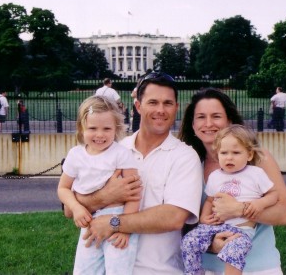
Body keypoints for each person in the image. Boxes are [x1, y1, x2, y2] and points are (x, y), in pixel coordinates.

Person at [70, 72, 203, 274]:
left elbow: (174, 217)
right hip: (105, 266)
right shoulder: (112, 148)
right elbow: (69, 208)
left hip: (158, 270)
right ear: (138, 106)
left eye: (168, 103)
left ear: (176, 108)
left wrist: (115, 223)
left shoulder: (184, 156)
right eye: (153, 102)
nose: (160, 110)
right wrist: (106, 196)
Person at [178, 88, 286, 274]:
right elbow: (185, 225)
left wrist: (239, 210)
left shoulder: (258, 158)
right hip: (208, 268)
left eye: (216, 116)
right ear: (192, 124)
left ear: (229, 121)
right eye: (200, 117)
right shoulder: (189, 164)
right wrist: (211, 245)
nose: (208, 123)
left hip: (258, 268)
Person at [57, 95, 140, 274]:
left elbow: (134, 194)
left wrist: (126, 228)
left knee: (118, 270)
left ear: (116, 129)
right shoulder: (75, 155)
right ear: (81, 127)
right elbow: (63, 188)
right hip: (89, 220)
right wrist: (76, 208)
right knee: (84, 270)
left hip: (119, 219)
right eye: (93, 128)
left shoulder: (122, 154)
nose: (100, 134)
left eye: (106, 129)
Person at [181, 125, 278, 275]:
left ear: (249, 155)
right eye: (224, 152)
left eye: (236, 152)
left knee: (234, 252)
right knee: (189, 241)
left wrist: (260, 203)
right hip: (215, 227)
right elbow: (209, 200)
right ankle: (194, 272)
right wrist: (204, 218)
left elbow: (273, 195)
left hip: (241, 231)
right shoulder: (215, 176)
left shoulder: (256, 173)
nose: (229, 157)